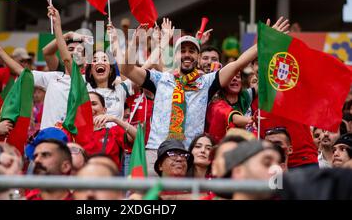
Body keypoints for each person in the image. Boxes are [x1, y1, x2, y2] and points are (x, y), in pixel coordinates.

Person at [121, 17, 289, 176]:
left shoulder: (207, 82)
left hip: (188, 156)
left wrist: (264, 41)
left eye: (192, 51)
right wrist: (135, 43)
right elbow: (126, 70)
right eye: (183, 51)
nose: (187, 54)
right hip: (156, 153)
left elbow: (238, 64)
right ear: (175, 56)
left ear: (199, 58)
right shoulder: (160, 79)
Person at [87, 92, 137, 171]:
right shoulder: (75, 134)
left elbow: (139, 138)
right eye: (85, 105)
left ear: (104, 110)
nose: (89, 108)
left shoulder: (114, 131)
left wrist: (115, 119)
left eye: (94, 104)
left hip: (110, 181)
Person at [205, 71, 255, 142]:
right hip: (222, 147)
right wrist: (250, 120)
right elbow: (231, 116)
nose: (235, 79)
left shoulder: (245, 96)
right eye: (230, 76)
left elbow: (264, 87)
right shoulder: (215, 104)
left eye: (238, 77)